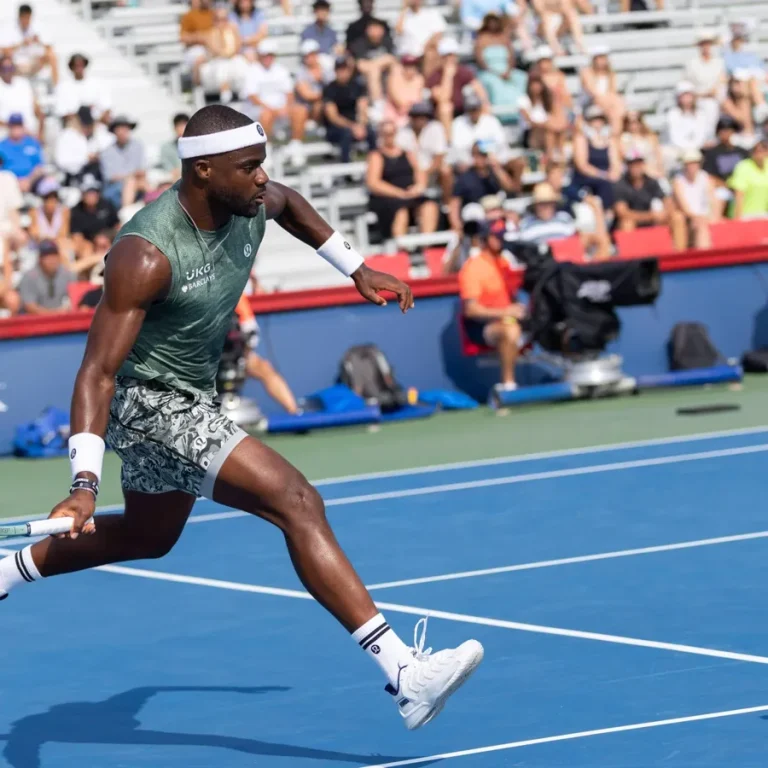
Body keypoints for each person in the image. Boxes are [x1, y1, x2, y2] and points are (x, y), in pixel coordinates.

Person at [0, 105, 484, 733]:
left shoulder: (251, 200)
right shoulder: (145, 254)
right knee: (295, 500)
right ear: (204, 170)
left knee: (150, 537)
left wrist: (356, 268)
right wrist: (84, 484)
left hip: (194, 395)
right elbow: (95, 372)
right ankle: (404, 673)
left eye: (262, 165)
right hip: (149, 404)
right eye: (249, 166)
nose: (262, 178)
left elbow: (292, 205)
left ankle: (6, 571)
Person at [458, 217, 525, 390]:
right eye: (496, 236)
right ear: (485, 238)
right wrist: (506, 312)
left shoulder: (505, 263)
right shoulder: (473, 267)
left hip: (508, 318)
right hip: (481, 325)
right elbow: (471, 310)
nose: (501, 240)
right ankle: (508, 383)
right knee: (510, 330)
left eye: (502, 236)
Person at [366, 119, 439, 239]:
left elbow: (419, 173)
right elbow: (373, 183)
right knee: (401, 212)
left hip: (410, 194)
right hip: (388, 197)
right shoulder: (376, 156)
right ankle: (400, 246)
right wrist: (399, 193)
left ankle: (427, 243)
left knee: (429, 206)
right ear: (380, 135)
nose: (389, 137)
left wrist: (418, 187)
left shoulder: (407, 153)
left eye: (391, 133)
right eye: (386, 134)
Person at [235, 294, 300, 414]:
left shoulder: (234, 293)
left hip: (233, 354)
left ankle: (295, 413)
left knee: (264, 368)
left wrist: (241, 357)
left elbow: (250, 332)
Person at [614, 149, 686, 250]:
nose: (636, 167)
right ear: (628, 166)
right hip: (636, 220)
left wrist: (665, 212)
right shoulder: (620, 185)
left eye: (638, 163)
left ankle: (679, 252)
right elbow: (622, 212)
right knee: (627, 224)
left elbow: (667, 200)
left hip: (652, 219)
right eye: (632, 164)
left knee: (677, 217)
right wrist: (650, 216)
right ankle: (631, 256)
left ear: (643, 164)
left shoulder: (651, 182)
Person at [520, 181, 611, 259]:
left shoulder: (563, 217)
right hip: (543, 261)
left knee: (601, 239)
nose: (546, 207)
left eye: (549, 203)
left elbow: (579, 236)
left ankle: (599, 270)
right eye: (542, 204)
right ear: (535, 206)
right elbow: (524, 249)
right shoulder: (527, 223)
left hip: (568, 258)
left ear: (554, 204)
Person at [449, 142, 518, 230]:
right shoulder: (465, 178)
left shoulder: (495, 174)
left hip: (497, 214)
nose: (479, 157)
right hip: (476, 220)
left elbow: (510, 189)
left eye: (483, 154)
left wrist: (497, 168)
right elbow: (455, 203)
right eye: (475, 153)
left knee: (513, 216)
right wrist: (457, 225)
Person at [427, 37, 487, 137]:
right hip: (441, 116)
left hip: (463, 109)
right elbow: (443, 98)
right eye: (446, 56)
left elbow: (480, 90)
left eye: (452, 55)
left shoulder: (464, 72)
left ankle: (483, 138)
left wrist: (484, 103)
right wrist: (448, 76)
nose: (450, 59)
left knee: (482, 106)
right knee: (445, 108)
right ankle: (449, 141)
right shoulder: (434, 76)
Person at [323, 56, 376, 163]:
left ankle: (375, 162)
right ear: (335, 71)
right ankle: (345, 165)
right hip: (336, 128)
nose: (342, 72)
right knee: (346, 134)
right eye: (339, 69)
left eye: (344, 69)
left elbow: (362, 108)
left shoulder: (357, 86)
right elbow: (333, 117)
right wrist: (352, 127)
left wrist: (360, 125)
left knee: (371, 132)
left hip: (356, 124)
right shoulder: (329, 89)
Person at [396, 101, 451, 204]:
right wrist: (418, 174)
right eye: (416, 116)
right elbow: (405, 156)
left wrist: (425, 175)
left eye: (423, 116)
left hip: (432, 171)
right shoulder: (403, 131)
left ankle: (446, 204)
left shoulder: (436, 128)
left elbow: (439, 157)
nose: (419, 119)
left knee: (445, 170)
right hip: (410, 171)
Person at [570, 105, 621, 212]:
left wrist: (614, 173)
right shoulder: (581, 138)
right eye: (594, 120)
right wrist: (603, 175)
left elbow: (616, 163)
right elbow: (582, 166)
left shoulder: (610, 139)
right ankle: (606, 213)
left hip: (606, 177)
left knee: (620, 184)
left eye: (600, 119)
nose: (597, 123)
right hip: (587, 178)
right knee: (605, 185)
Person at [242, 40, 297, 139]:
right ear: (260, 56)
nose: (268, 58)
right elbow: (253, 98)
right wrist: (272, 109)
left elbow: (289, 93)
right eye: (265, 55)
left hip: (280, 108)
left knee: (300, 111)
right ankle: (267, 145)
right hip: (258, 110)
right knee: (266, 115)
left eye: (270, 55)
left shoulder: (282, 70)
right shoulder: (251, 71)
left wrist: (286, 107)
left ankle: (296, 143)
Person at [196, 2, 248, 102]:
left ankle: (242, 91)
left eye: (224, 19)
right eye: (218, 19)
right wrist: (220, 34)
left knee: (241, 62)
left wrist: (229, 53)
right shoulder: (210, 33)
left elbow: (237, 46)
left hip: (231, 58)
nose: (221, 22)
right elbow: (215, 50)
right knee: (221, 66)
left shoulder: (233, 30)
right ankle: (225, 92)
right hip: (216, 60)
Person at [474, 13, 527, 110]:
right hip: (490, 71)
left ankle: (522, 106)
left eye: (495, 22)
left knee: (522, 77)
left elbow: (511, 57)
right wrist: (496, 73)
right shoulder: (481, 39)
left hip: (506, 69)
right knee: (492, 82)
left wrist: (508, 71)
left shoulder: (504, 38)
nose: (493, 24)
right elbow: (480, 61)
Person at [0, 4, 58, 84]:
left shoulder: (36, 28)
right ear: (19, 17)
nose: (26, 20)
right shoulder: (10, 29)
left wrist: (39, 42)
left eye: (28, 18)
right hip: (15, 64)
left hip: (33, 63)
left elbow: (49, 48)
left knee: (51, 55)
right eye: (24, 17)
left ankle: (55, 86)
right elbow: (3, 50)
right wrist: (21, 44)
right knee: (5, 60)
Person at [702, 115, 748, 218]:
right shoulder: (712, 153)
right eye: (722, 130)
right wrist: (726, 185)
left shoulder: (742, 152)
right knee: (719, 195)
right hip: (723, 187)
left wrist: (737, 187)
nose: (725, 133)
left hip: (742, 187)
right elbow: (709, 176)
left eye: (728, 130)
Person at [672, 148, 717, 249]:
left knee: (704, 224)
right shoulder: (678, 181)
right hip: (689, 217)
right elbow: (683, 206)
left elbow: (712, 201)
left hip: (704, 216)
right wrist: (696, 217)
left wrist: (708, 216)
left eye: (694, 163)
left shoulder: (706, 178)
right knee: (695, 223)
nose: (691, 166)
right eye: (688, 163)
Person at [683, 30, 725, 138]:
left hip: (716, 99)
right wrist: (702, 94)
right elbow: (686, 86)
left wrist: (715, 93)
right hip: (697, 99)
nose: (706, 47)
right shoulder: (692, 64)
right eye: (703, 44)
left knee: (712, 106)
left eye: (708, 43)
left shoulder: (719, 62)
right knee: (707, 107)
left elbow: (722, 82)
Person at [99, 115, 147, 210]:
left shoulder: (138, 146)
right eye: (119, 129)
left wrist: (131, 176)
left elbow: (142, 171)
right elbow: (111, 177)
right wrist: (130, 176)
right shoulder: (107, 152)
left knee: (146, 184)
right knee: (131, 182)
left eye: (125, 128)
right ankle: (126, 212)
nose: (122, 132)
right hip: (114, 188)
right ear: (114, 131)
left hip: (137, 183)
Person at [70, 177, 120, 264]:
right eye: (88, 192)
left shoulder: (107, 205)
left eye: (94, 191)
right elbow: (77, 237)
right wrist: (94, 243)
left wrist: (108, 239)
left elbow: (118, 226)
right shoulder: (76, 212)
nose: (92, 195)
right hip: (89, 244)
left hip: (109, 240)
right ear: (82, 194)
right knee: (85, 251)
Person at [350, 18, 396, 112]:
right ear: (367, 30)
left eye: (378, 28)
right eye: (373, 28)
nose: (376, 32)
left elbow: (391, 59)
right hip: (365, 80)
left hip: (386, 76)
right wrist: (378, 66)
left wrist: (375, 65)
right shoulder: (359, 43)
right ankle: (378, 104)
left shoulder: (387, 41)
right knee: (374, 71)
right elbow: (360, 65)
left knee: (395, 68)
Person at [17, 239, 73, 314]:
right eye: (47, 256)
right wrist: (54, 314)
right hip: (36, 319)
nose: (52, 260)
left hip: (64, 317)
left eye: (54, 255)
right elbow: (30, 306)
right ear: (40, 259)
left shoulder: (67, 274)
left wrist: (62, 312)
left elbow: (74, 301)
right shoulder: (29, 277)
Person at [53, 53, 112, 124]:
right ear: (71, 67)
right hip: (73, 125)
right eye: (76, 66)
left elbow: (107, 108)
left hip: (96, 124)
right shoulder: (62, 87)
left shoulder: (97, 84)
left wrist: (95, 122)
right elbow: (62, 113)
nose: (79, 68)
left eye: (81, 65)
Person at [580, 47, 624, 137]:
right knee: (615, 111)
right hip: (591, 102)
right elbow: (592, 91)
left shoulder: (611, 73)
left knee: (617, 106)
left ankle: (615, 136)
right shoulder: (587, 72)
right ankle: (615, 136)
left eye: (603, 58)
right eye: (599, 58)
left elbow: (613, 91)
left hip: (608, 102)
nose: (602, 61)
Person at [395, 0, 446, 74]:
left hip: (425, 52)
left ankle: (427, 81)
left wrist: (425, 47)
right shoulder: (403, 15)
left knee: (431, 54)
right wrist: (404, 8)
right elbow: (398, 30)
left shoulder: (432, 13)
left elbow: (438, 34)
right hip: (407, 54)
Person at [0, 112, 44, 193]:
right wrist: (15, 182)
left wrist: (29, 181)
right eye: (14, 126)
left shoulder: (32, 143)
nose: (16, 129)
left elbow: (39, 167)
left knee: (50, 184)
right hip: (9, 183)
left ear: (23, 126)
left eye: (19, 126)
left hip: (32, 182)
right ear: (9, 127)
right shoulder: (2, 146)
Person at [0, 54, 41, 137]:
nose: (7, 71)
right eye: (4, 69)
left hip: (30, 132)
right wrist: (16, 128)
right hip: (6, 134)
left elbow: (37, 109)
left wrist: (40, 133)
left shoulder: (24, 83)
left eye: (10, 68)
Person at [728, 136, 768, 219]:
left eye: (764, 148)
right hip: (746, 215)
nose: (760, 152)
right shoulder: (743, 166)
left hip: (764, 214)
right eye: (756, 150)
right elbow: (739, 195)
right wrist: (738, 219)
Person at [29, 177, 71, 255]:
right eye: (47, 197)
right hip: (39, 250)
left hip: (57, 248)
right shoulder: (34, 212)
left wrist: (48, 239)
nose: (51, 201)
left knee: (65, 246)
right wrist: (50, 240)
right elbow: (35, 235)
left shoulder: (64, 211)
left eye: (54, 197)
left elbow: (63, 234)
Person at [619, 111, 663, 179]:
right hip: (634, 172)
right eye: (629, 122)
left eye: (636, 121)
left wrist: (660, 169)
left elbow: (658, 155)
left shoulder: (651, 137)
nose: (633, 125)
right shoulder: (623, 138)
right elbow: (624, 156)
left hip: (653, 169)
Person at [384, 54, 424, 127]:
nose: (410, 69)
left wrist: (409, 107)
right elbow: (398, 102)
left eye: (413, 66)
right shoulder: (394, 77)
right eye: (407, 66)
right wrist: (408, 105)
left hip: (411, 116)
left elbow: (418, 101)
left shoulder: (419, 79)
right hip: (393, 117)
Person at [179, 0, 214, 81]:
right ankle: (197, 84)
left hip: (213, 48)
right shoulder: (189, 15)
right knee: (200, 60)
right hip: (196, 49)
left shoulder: (215, 14)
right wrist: (199, 37)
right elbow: (183, 37)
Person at [159, 113, 190, 181]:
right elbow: (165, 165)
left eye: (184, 125)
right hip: (174, 179)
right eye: (179, 126)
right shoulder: (166, 147)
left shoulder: (196, 146)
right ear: (175, 128)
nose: (182, 129)